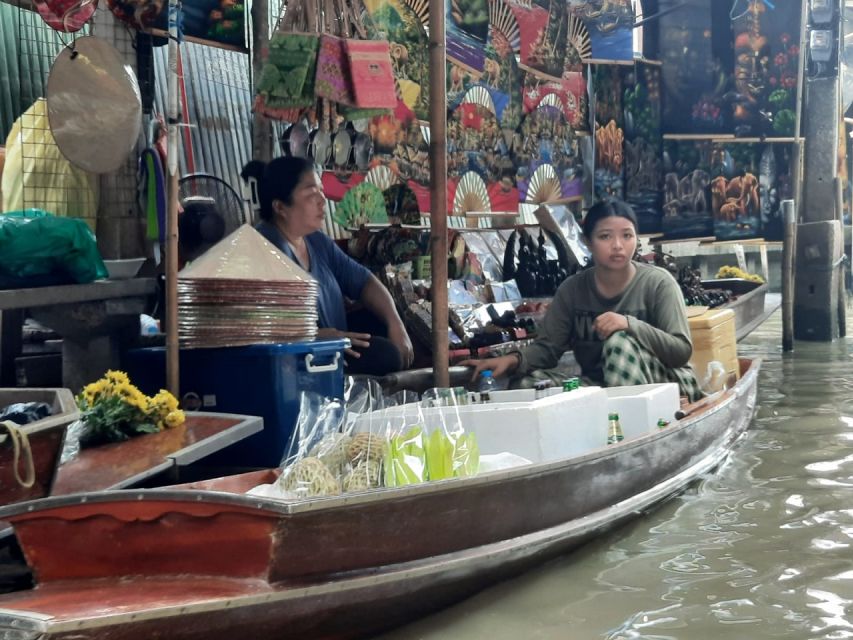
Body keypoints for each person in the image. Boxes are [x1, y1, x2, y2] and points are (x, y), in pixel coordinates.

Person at [463, 199, 703, 401]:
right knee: (527, 386)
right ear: (588, 241)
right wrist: (513, 360)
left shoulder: (658, 283)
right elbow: (548, 349)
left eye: (627, 236)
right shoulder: (573, 290)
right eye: (605, 236)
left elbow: (681, 351)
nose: (618, 245)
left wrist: (630, 325)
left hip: (667, 385)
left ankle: (629, 427)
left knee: (619, 344)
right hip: (601, 387)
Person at [242, 157, 414, 375]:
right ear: (280, 207)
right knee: (386, 355)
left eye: (321, 191)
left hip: (335, 345)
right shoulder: (263, 249)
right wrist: (316, 336)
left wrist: (395, 324)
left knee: (389, 322)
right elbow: (258, 328)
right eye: (311, 194)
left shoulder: (316, 240)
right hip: (298, 361)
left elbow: (364, 282)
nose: (322, 200)